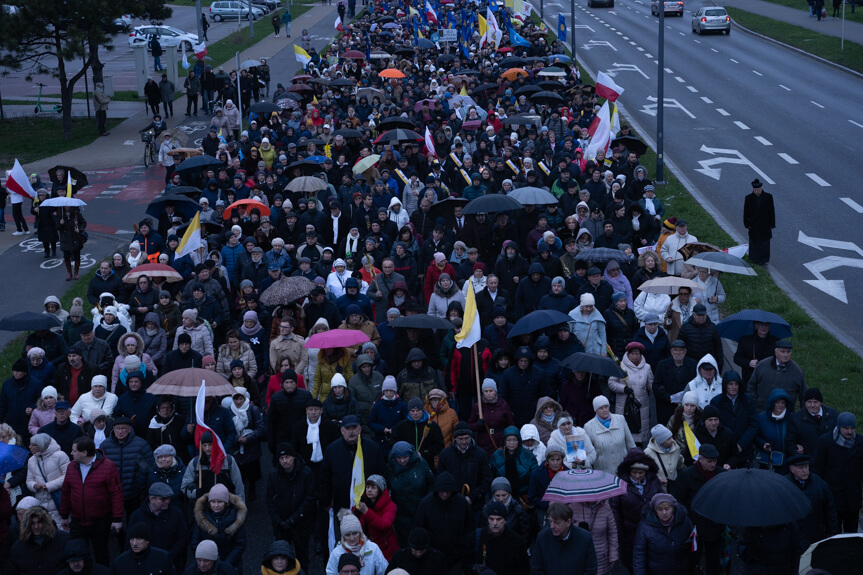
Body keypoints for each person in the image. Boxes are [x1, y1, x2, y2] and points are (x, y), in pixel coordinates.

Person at [60, 436, 124, 566]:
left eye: (74, 451)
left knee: (101, 555)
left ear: (84, 453)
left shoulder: (108, 466)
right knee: (78, 555)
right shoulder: (71, 466)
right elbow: (66, 492)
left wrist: (117, 519)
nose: (71, 453)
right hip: (77, 521)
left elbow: (116, 493)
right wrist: (65, 516)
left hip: (100, 522)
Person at [672, 443, 724, 575]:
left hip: (715, 524)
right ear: (700, 459)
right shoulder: (686, 475)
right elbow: (679, 500)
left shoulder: (721, 474)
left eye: (715, 461)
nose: (712, 464)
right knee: (694, 559)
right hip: (694, 525)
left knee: (714, 559)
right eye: (709, 461)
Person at [266, 442, 316, 571]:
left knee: (302, 557)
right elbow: (269, 499)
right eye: (282, 458)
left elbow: (309, 499)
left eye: (287, 457)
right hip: (281, 524)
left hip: (301, 523)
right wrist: (277, 520)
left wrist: (294, 519)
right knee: (281, 559)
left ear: (293, 457)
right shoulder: (273, 474)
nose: (285, 461)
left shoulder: (306, 473)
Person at [412, 472, 474, 575]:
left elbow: (470, 527)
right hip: (432, 556)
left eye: (448, 491)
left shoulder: (462, 503)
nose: (445, 494)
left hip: (457, 557)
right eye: (442, 491)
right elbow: (418, 528)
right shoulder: (426, 504)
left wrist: (464, 548)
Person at [812, 411, 863, 533]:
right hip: (833, 497)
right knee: (832, 531)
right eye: (846, 428)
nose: (849, 432)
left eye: (852, 428)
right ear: (839, 427)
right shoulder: (825, 442)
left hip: (852, 499)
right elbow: (817, 468)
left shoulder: (860, 443)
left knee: (851, 534)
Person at [127, 482, 189, 574]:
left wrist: (168, 557)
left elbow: (183, 538)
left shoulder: (176, 514)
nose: (167, 501)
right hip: (145, 565)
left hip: (171, 564)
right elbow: (130, 542)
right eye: (163, 499)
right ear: (151, 499)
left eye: (168, 498)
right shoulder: (137, 516)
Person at [632, 493, 694, 575]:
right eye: (660, 510)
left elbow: (693, 543)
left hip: (682, 569)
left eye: (667, 509)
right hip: (657, 571)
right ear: (655, 511)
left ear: (673, 508)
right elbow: (639, 554)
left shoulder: (684, 521)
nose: (664, 513)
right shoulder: (645, 526)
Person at [191, 484, 247, 573]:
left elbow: (240, 544)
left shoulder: (237, 517)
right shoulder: (201, 517)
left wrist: (225, 565)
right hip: (207, 565)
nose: (216, 505)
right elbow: (195, 541)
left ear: (226, 503)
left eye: (219, 502)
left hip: (230, 563)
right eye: (213, 501)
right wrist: (205, 561)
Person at [786, 454, 838, 548]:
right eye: (800, 468)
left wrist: (832, 531)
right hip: (793, 537)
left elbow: (830, 509)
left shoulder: (819, 483)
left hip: (816, 534)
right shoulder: (785, 485)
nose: (805, 471)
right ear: (792, 469)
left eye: (806, 467)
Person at [531, 502, 598, 575]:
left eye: (557, 522)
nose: (552, 526)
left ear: (568, 522)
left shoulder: (585, 538)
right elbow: (536, 569)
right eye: (550, 521)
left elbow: (590, 569)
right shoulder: (542, 538)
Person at [608, 341, 654, 444]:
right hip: (625, 406)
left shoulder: (647, 367)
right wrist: (623, 388)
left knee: (639, 438)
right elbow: (611, 383)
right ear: (628, 354)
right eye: (632, 353)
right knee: (625, 436)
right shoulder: (620, 366)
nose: (634, 356)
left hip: (641, 407)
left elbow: (651, 386)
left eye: (637, 353)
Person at [7, 506, 71, 575]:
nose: (36, 526)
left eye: (39, 522)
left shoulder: (62, 539)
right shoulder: (18, 548)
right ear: (27, 525)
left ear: (45, 523)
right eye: (32, 523)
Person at [747, 339, 808, 412]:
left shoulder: (797, 371)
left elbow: (804, 395)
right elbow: (751, 386)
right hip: (762, 411)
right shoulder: (762, 365)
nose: (785, 355)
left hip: (786, 414)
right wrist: (755, 403)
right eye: (782, 351)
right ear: (775, 352)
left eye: (788, 352)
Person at [473, 500, 530, 575]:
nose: (495, 523)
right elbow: (466, 561)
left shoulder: (517, 542)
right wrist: (474, 567)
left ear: (505, 520)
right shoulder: (478, 536)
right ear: (487, 520)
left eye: (499, 519)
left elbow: (524, 570)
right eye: (491, 519)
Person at [584, 395, 636, 474]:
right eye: (601, 408)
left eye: (606, 407)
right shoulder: (588, 426)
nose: (604, 410)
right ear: (595, 410)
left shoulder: (620, 419)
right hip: (602, 474)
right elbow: (588, 453)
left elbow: (631, 444)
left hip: (624, 471)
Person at [25, 434, 69, 525]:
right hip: (41, 503)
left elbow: (68, 476)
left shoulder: (60, 456)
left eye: (33, 445)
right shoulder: (31, 460)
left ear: (41, 445)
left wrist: (49, 486)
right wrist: (34, 485)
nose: (29, 447)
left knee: (61, 531)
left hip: (58, 501)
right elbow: (29, 480)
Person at [109, 522, 176, 575]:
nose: (134, 543)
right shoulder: (119, 563)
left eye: (139, 539)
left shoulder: (163, 558)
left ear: (147, 541)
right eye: (132, 539)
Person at [743, 178, 775, 265]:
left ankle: (764, 259)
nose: (756, 191)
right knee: (754, 241)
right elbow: (746, 212)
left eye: (758, 190)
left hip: (765, 224)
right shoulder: (748, 198)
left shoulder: (768, 197)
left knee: (764, 242)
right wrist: (747, 224)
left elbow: (771, 211)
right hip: (754, 224)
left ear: (761, 189)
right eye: (755, 190)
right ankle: (754, 258)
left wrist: (772, 224)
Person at [55, 206, 87, 280]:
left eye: (68, 205)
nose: (67, 207)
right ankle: (69, 273)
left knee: (77, 256)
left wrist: (79, 228)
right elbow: (57, 227)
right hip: (65, 239)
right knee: (66, 257)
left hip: (75, 238)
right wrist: (60, 223)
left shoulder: (76, 214)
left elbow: (84, 223)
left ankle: (76, 272)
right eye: (65, 206)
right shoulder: (60, 215)